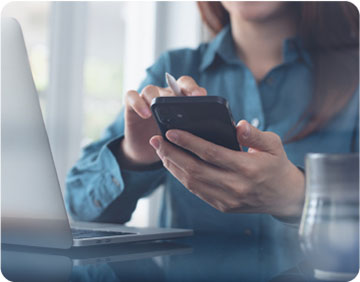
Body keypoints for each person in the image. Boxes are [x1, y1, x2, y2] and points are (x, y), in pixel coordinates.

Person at [66, 1, 358, 264]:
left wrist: (299, 196)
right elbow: (80, 207)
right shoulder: (174, 68)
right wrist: (133, 156)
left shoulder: (353, 76)